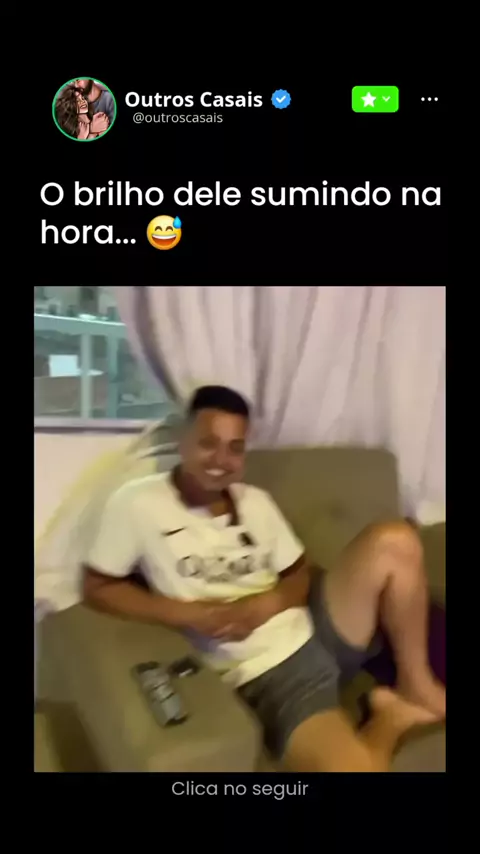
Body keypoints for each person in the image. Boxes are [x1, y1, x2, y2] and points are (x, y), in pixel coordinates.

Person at [83, 385, 446, 772]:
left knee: (396, 539)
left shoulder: (255, 501)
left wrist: (268, 603)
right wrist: (189, 614)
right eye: (208, 444)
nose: (220, 460)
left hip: (315, 626)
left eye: (235, 448)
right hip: (271, 672)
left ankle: (415, 681)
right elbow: (98, 587)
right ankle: (390, 715)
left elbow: (299, 572)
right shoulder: (138, 503)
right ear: (183, 441)